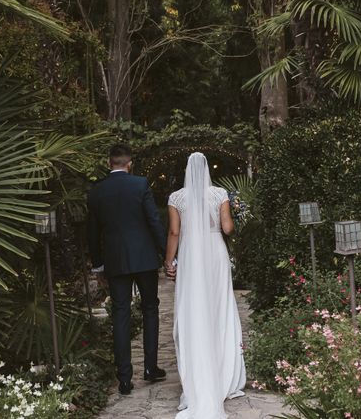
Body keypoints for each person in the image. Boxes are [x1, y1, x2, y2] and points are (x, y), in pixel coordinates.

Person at [164, 152, 246, 419]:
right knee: (219, 307)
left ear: (187, 171)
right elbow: (227, 228)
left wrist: (168, 262)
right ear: (207, 170)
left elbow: (175, 232)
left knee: (193, 309)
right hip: (214, 253)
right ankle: (224, 372)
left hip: (190, 254)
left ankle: (198, 374)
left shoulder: (177, 198)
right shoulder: (219, 194)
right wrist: (234, 216)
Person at [86, 144, 168, 395]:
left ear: (109, 163)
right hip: (144, 257)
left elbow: (92, 232)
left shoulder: (97, 191)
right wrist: (167, 254)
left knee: (120, 313)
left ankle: (124, 379)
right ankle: (150, 368)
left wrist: (98, 263)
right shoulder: (140, 184)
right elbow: (153, 220)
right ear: (129, 163)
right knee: (150, 308)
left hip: (116, 260)